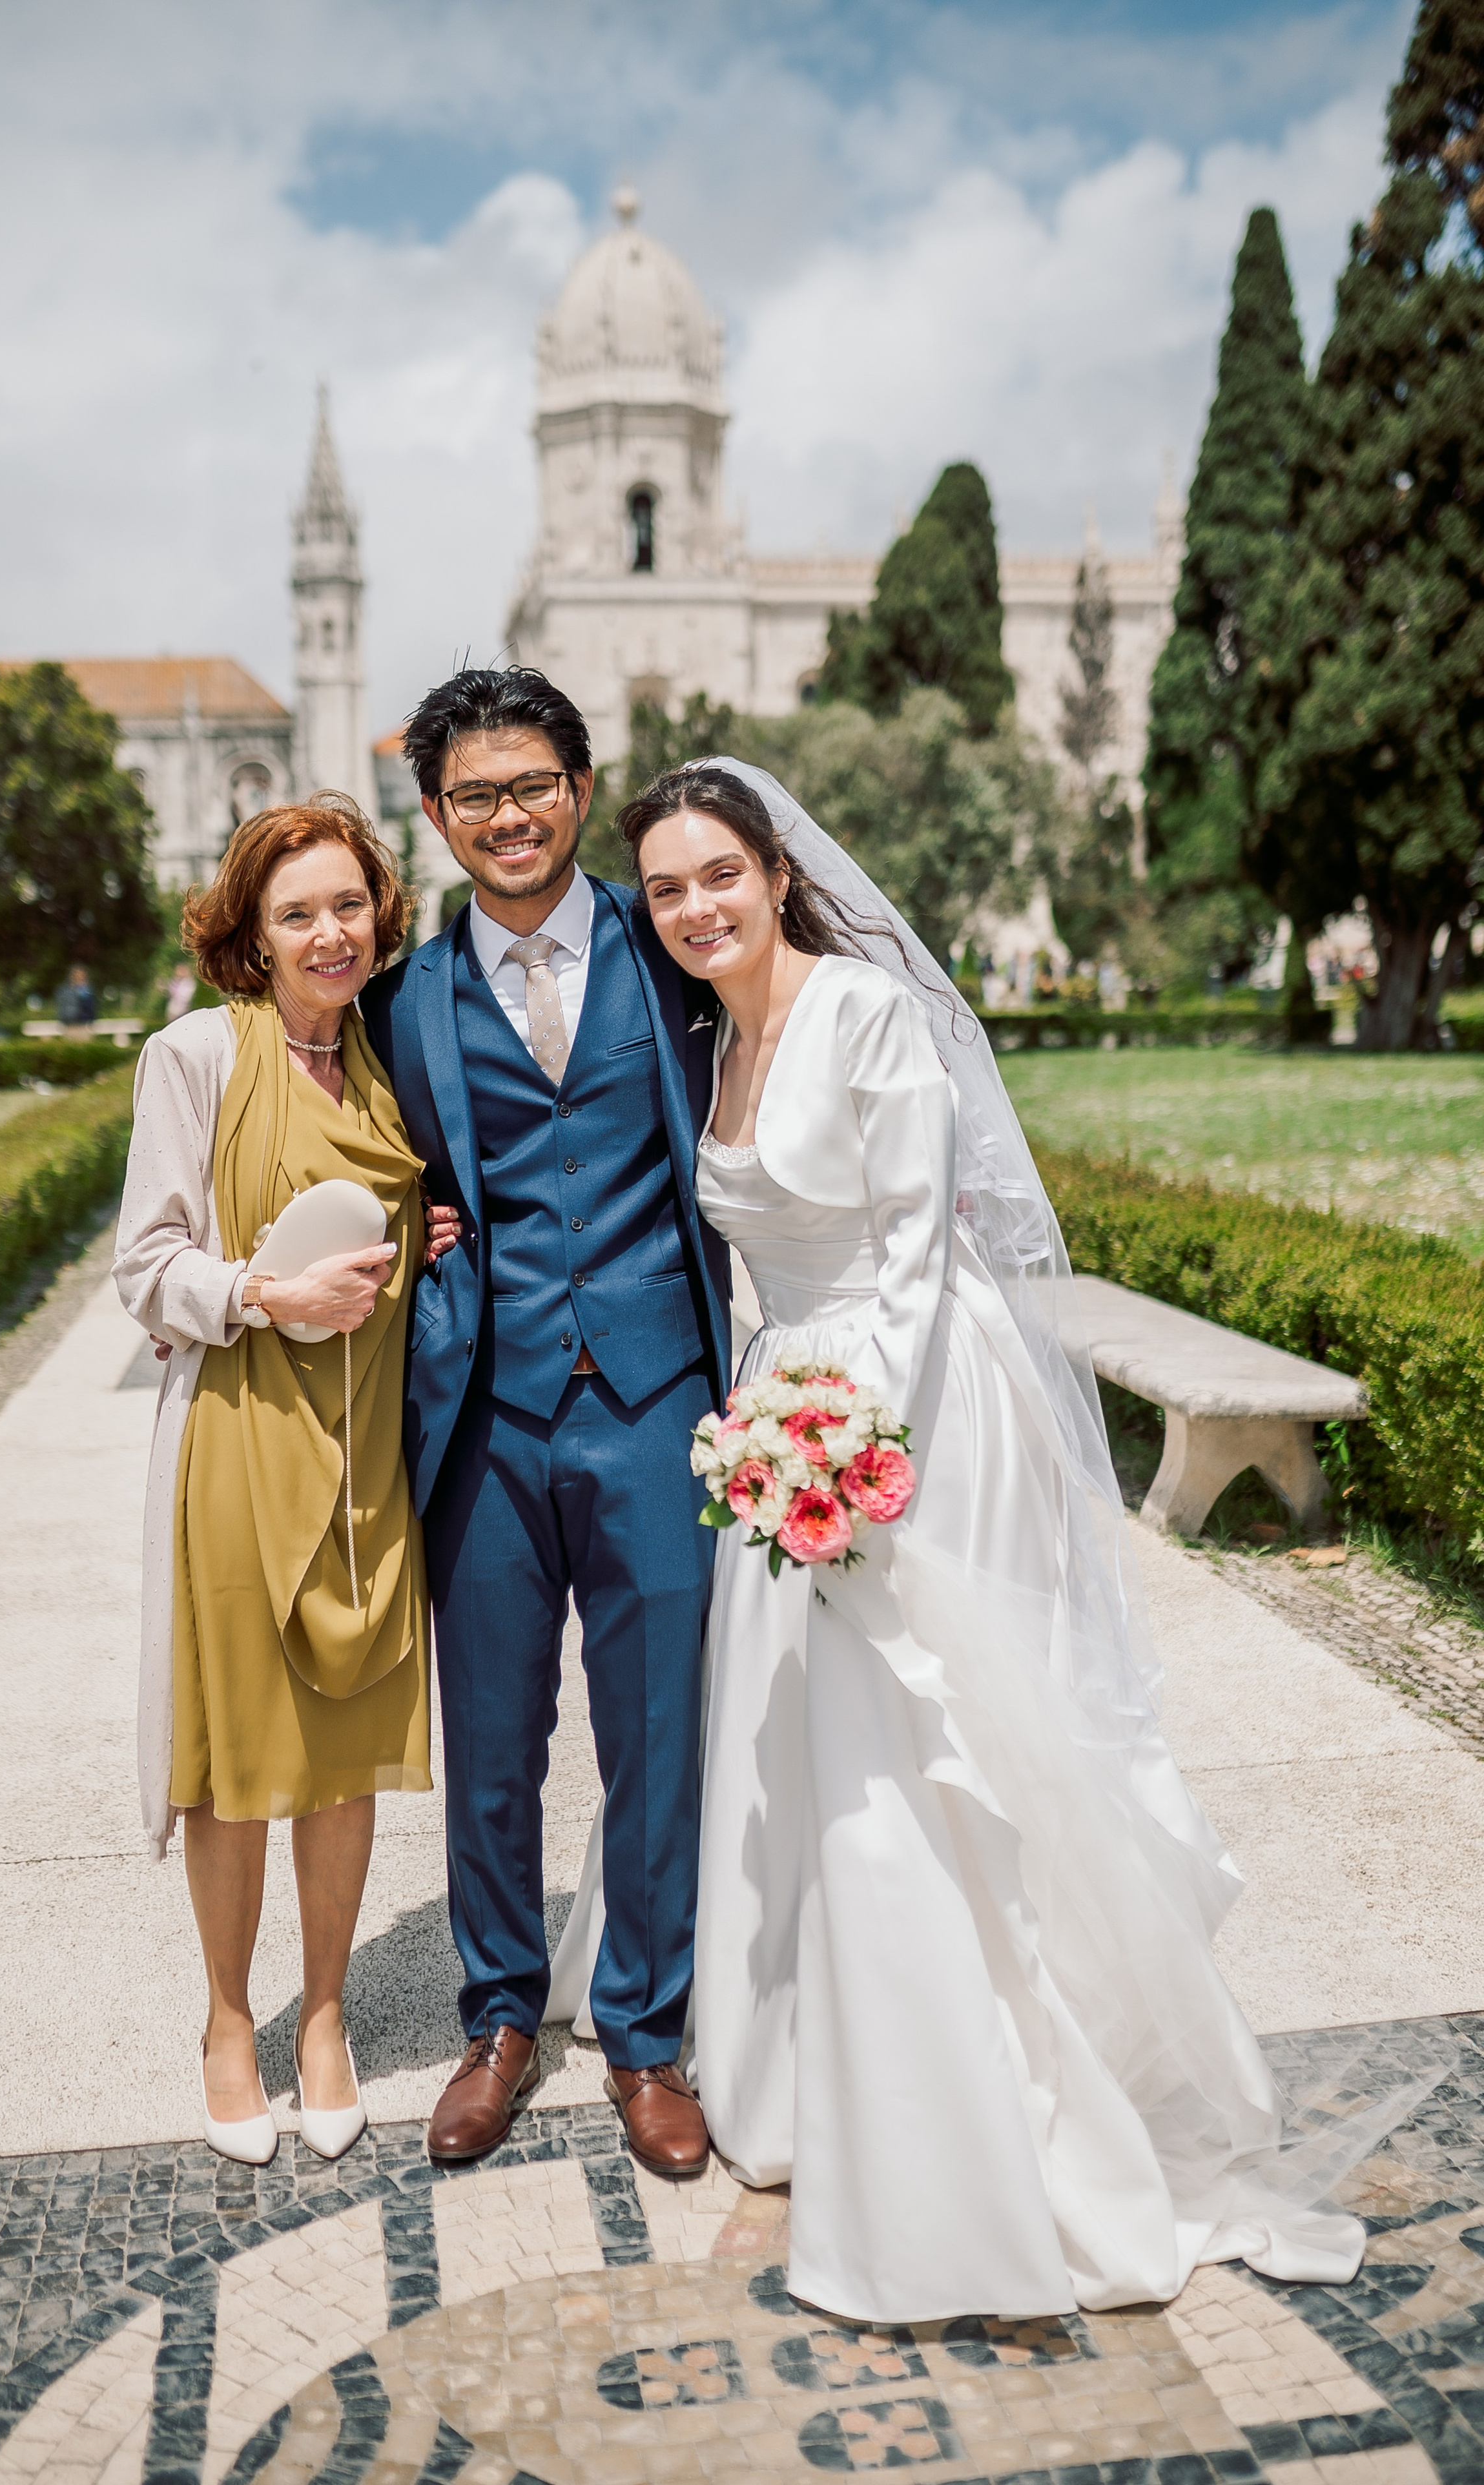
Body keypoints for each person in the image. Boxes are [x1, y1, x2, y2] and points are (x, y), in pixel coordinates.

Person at [591, 758, 1380, 2322]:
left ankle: (965, 2129)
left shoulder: (868, 1014)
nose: (692, 908)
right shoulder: (717, 1034)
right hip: (785, 1418)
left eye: (716, 876)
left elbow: (906, 1252)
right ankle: (820, 2081)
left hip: (911, 1421)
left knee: (917, 1755)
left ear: (774, 868)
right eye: (666, 888)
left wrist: (839, 1455)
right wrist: (774, 1432)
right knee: (802, 1757)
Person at [362, 668, 733, 2178]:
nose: (505, 816)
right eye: (472, 796)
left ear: (578, 790)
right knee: (495, 1739)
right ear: (436, 816)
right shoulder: (403, 1001)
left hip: (659, 1403)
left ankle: (645, 2037)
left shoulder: (680, 955)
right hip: (487, 1418)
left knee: (658, 1735)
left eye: (530, 786)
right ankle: (501, 2020)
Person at [115, 792, 455, 2169]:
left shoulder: (389, 1062)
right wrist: (261, 1288)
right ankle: (223, 2017)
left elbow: (396, 1233)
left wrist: (424, 1233)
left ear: (381, 917)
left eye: (348, 903)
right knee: (236, 1762)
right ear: (251, 934)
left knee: (341, 1753)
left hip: (368, 1450)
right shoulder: (193, 1056)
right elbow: (144, 1268)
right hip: (242, 1445)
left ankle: (323, 2016)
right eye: (296, 910)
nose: (329, 930)